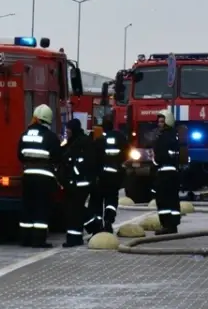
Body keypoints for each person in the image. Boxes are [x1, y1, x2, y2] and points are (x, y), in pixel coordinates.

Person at [17, 104, 63, 248]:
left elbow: (19, 154)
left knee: (28, 208)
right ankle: (38, 240)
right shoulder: (50, 137)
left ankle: (25, 239)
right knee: (41, 209)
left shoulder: (25, 134)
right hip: (44, 177)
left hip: (28, 176)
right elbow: (57, 157)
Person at [85, 114, 128, 235]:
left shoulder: (98, 141)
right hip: (115, 177)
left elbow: (93, 159)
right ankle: (108, 222)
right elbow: (127, 152)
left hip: (101, 177)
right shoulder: (120, 138)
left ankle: (97, 227)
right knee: (111, 200)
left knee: (97, 202)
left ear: (103, 128)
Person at [59, 118, 95, 248]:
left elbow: (83, 163)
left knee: (74, 211)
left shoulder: (82, 143)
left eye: (68, 130)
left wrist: (73, 173)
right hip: (73, 183)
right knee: (76, 210)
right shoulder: (72, 142)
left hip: (80, 183)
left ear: (73, 130)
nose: (67, 133)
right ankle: (94, 227)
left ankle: (74, 239)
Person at [149, 113, 181, 234]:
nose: (159, 124)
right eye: (159, 122)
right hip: (174, 173)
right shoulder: (175, 137)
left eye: (162, 122)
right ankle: (173, 224)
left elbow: (158, 158)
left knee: (163, 200)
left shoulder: (162, 138)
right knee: (173, 199)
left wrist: (154, 160)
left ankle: (166, 225)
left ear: (167, 122)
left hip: (164, 174)